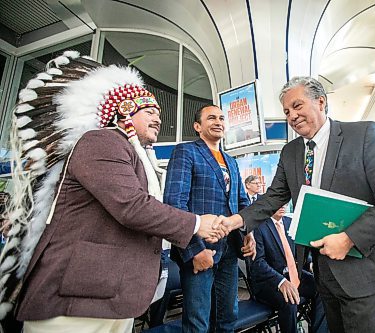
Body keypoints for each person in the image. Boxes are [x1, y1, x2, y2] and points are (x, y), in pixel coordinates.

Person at [0, 52, 224, 333]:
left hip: (108, 295)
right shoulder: (101, 141)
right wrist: (195, 224)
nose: (158, 118)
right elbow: (131, 206)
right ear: (124, 110)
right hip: (76, 301)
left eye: (159, 113)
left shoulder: (131, 153)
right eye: (150, 111)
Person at [218, 77, 375, 332]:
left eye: (298, 106)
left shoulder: (363, 135)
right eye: (287, 111)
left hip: (365, 273)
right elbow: (273, 197)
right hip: (325, 276)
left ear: (321, 101)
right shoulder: (291, 152)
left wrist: (349, 238)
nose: (292, 115)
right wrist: (236, 221)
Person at [164, 104, 254, 333]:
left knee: (228, 317)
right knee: (197, 322)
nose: (218, 122)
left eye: (222, 118)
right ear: (197, 126)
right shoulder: (186, 152)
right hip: (200, 251)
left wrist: (248, 233)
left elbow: (242, 203)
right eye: (211, 118)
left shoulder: (231, 162)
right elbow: (174, 206)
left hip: (230, 251)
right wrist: (194, 251)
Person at [250, 205, 328, 333]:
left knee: (323, 288)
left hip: (293, 275)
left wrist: (309, 264)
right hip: (270, 281)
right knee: (289, 299)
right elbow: (258, 263)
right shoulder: (259, 226)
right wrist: (281, 281)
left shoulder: (290, 222)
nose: (283, 206)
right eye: (279, 203)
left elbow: (299, 252)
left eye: (285, 203)